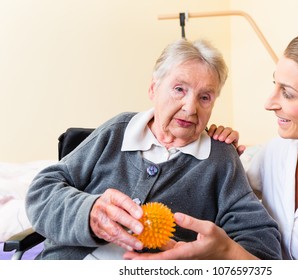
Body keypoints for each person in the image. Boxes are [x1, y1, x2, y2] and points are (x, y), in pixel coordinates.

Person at [124, 27, 298, 260]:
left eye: (287, 93)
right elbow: (222, 190)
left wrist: (229, 254)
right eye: (275, 85)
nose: (269, 103)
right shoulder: (275, 152)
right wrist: (221, 148)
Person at [25, 38, 281, 260]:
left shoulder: (220, 157)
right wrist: (89, 212)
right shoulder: (118, 130)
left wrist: (211, 258)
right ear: (153, 88)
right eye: (179, 89)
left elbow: (262, 248)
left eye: (205, 97)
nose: (190, 108)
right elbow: (43, 190)